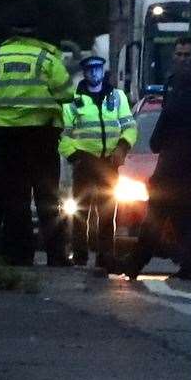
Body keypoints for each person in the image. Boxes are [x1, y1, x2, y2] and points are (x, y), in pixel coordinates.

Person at [0, 9, 75, 266]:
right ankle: (56, 255)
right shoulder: (47, 59)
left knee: (14, 196)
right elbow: (66, 93)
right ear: (36, 32)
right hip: (42, 135)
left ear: (10, 33)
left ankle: (18, 254)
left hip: (5, 136)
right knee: (47, 196)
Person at [125, 69, 191, 281]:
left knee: (153, 224)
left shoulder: (170, 111)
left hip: (167, 180)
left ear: (177, 88)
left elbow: (155, 143)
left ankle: (135, 264)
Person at [59, 56, 138, 272]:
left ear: (104, 71)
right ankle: (80, 255)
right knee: (80, 211)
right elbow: (64, 134)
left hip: (109, 162)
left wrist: (123, 146)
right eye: (90, 70)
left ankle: (105, 256)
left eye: (98, 69)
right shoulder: (73, 101)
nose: (94, 73)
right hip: (84, 161)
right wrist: (74, 156)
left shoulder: (117, 96)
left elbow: (129, 126)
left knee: (107, 211)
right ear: (84, 73)